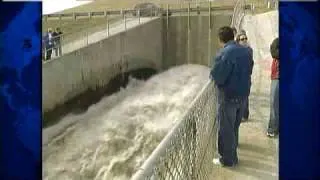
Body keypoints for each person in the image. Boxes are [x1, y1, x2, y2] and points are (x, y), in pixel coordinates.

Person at [210, 26, 253, 167]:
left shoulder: (224, 54)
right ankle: (233, 156)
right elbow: (250, 69)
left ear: (220, 39)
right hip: (243, 97)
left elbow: (218, 77)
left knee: (226, 131)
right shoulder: (246, 51)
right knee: (234, 127)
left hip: (228, 98)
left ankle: (228, 160)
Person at [236, 31, 254, 122]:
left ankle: (244, 115)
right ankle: (242, 114)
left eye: (245, 38)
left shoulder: (249, 50)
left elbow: (251, 63)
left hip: (246, 76)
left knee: (245, 96)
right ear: (238, 41)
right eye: (242, 39)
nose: (244, 40)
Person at [267, 37, 279, 137]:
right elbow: (274, 52)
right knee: (274, 103)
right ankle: (272, 128)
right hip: (277, 77)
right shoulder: (277, 41)